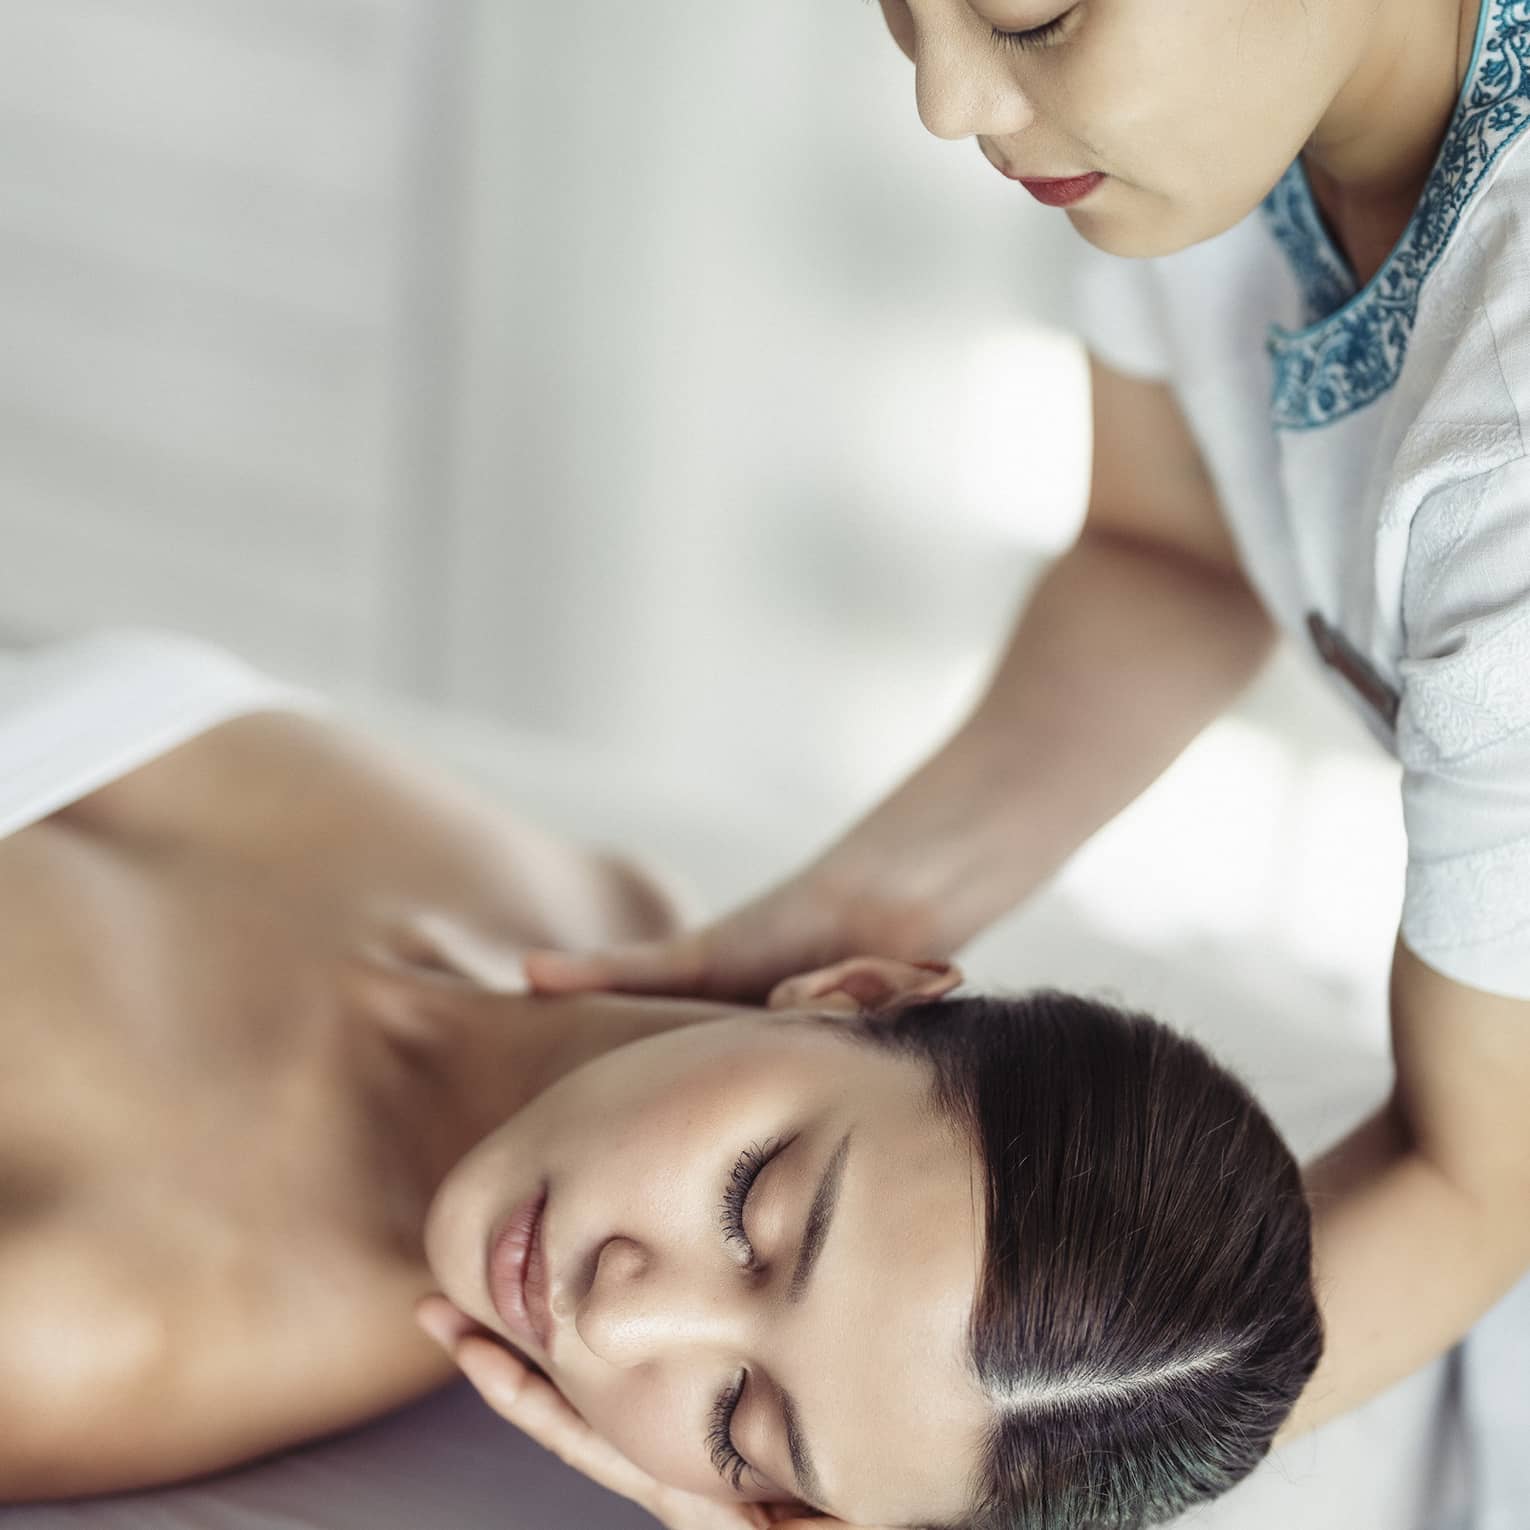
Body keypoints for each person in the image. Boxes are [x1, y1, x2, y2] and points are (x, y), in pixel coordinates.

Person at [497, 0, 1530, 1506]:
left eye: (1031, 13)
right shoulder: (1198, 135)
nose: (947, 99)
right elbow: (1166, 558)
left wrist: (941, 1486)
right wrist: (863, 909)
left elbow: (1478, 1181)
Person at [0, 626, 1322, 1530]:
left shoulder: (100, 1332)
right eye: (752, 1203)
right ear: (859, 989)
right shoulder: (600, 898)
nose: (617, 1320)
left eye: (737, 1423)